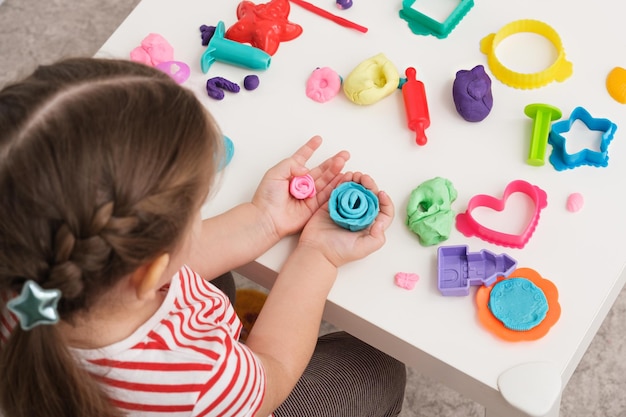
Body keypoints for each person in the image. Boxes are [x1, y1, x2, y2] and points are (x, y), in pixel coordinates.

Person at [0, 57, 406, 417]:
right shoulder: (201, 383)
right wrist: (319, 254)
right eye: (194, 212)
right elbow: (274, 372)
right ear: (150, 272)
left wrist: (264, 219)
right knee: (375, 367)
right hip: (228, 397)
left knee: (218, 282)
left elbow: (173, 263)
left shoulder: (21, 264)